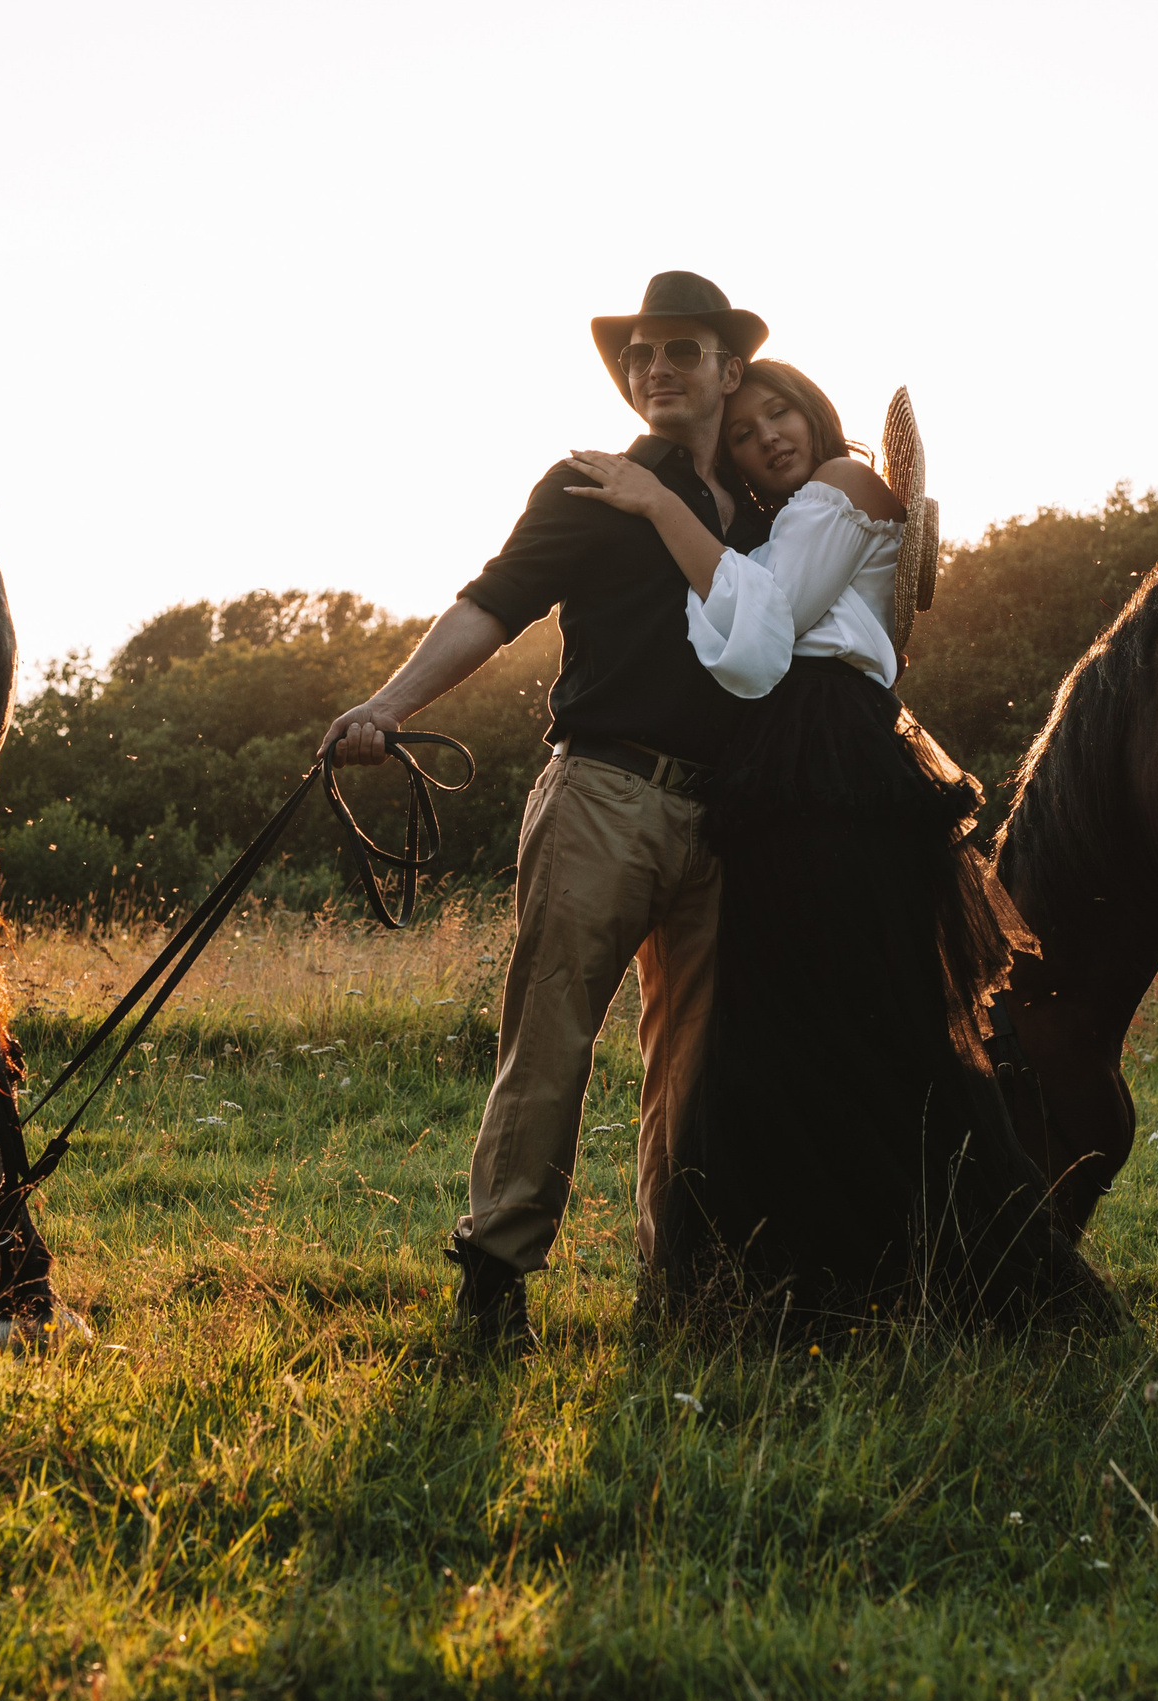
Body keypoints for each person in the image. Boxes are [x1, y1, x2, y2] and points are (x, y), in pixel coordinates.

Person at [560, 363, 1103, 1325]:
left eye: (783, 412)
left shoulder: (845, 486)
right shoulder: (784, 516)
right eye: (743, 431)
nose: (767, 434)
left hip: (830, 756)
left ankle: (931, 1271)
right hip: (788, 759)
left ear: (818, 411)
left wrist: (652, 501)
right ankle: (811, 1277)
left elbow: (762, 639)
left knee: (855, 1015)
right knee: (786, 1017)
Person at [320, 272, 771, 1351]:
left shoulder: (763, 510)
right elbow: (495, 599)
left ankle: (680, 1287)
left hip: (722, 818)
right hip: (602, 792)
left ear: (729, 370)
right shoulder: (586, 483)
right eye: (640, 356)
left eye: (680, 352)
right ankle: (494, 1278)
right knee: (553, 1036)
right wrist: (386, 704)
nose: (655, 369)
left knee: (698, 1059)